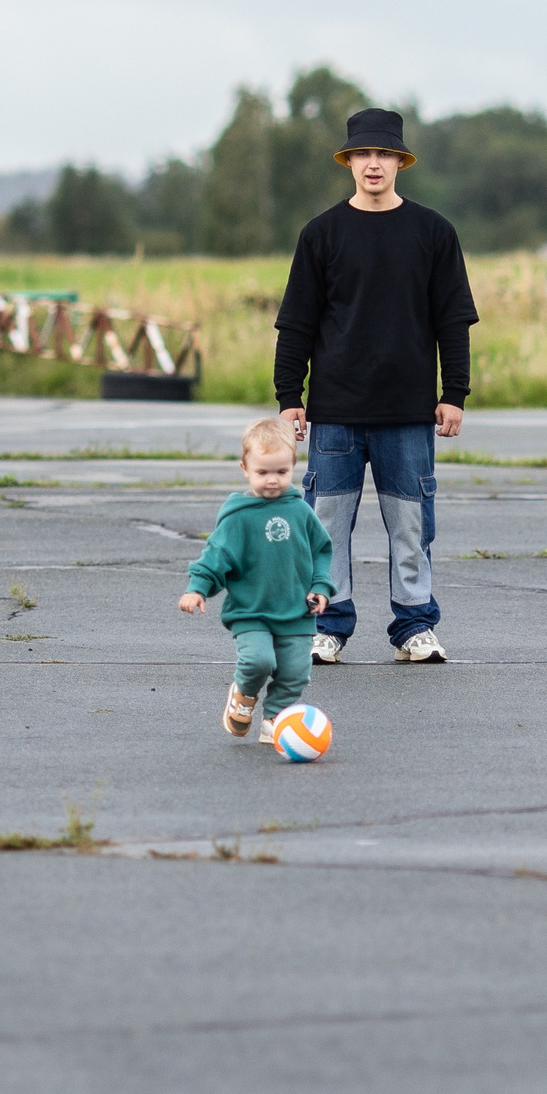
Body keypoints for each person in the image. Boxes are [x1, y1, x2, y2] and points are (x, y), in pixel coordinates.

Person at [274, 108, 479, 664]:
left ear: (400, 162)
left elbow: (452, 320)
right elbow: (297, 322)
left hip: (409, 412)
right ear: (348, 161)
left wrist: (453, 393)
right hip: (336, 410)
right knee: (326, 526)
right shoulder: (321, 233)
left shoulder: (433, 232)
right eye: (362, 154)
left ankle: (414, 626)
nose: (373, 164)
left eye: (384, 154)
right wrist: (289, 397)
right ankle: (328, 626)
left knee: (412, 526)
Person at [178, 418, 336, 745]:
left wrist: (320, 586)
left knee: (295, 672)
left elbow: (322, 549)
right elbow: (217, 555)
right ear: (245, 468)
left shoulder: (301, 512)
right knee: (259, 660)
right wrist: (197, 587)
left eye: (281, 472)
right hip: (251, 611)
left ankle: (275, 717)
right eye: (263, 473)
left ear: (293, 467)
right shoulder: (239, 516)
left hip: (295, 611)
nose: (273, 481)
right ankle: (244, 693)